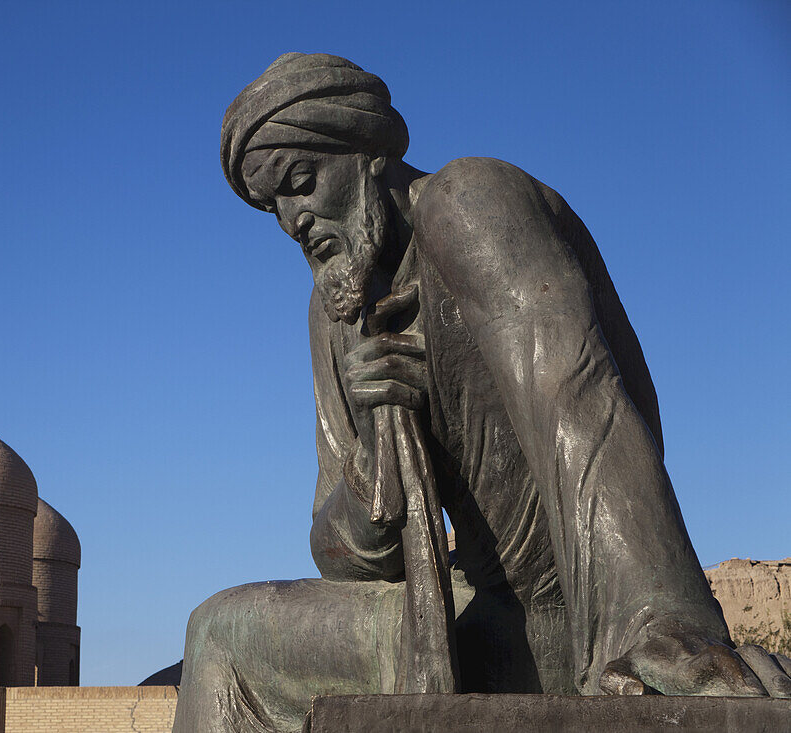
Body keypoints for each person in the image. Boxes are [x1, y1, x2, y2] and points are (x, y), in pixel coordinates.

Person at [173, 53, 791, 733]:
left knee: (217, 639)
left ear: (368, 150)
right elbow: (340, 554)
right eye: (274, 204)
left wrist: (664, 623)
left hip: (576, 622)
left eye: (301, 181)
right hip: (468, 615)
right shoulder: (336, 310)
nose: (293, 219)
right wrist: (375, 460)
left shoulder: (470, 202)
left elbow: (579, 399)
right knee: (218, 635)